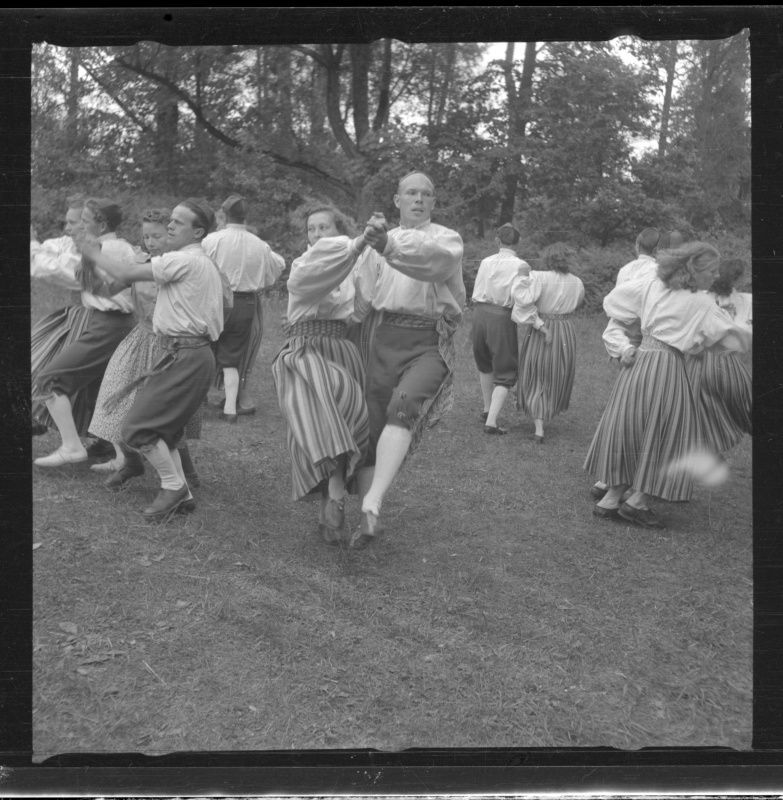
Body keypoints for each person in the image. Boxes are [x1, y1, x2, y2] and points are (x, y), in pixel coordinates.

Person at [584, 242, 752, 530]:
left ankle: (611, 499)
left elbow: (615, 302)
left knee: (635, 429)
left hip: (640, 363)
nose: (715, 276)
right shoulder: (701, 303)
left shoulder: (653, 284)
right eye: (711, 271)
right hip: (668, 367)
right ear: (695, 270)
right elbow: (733, 339)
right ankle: (636, 503)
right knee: (672, 437)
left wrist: (630, 339)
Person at [79, 198, 223, 520]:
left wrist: (91, 249)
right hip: (182, 351)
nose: (170, 225)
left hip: (184, 353)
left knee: (137, 428)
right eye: (170, 220)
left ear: (198, 231)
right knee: (164, 428)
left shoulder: (184, 260)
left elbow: (123, 271)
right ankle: (181, 492)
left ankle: (174, 487)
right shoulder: (195, 261)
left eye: (178, 222)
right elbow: (115, 283)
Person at [350, 171, 465, 548]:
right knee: (371, 419)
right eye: (411, 193)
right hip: (381, 337)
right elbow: (362, 293)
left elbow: (433, 264)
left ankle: (374, 500)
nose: (419, 199)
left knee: (404, 405)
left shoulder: (446, 239)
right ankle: (367, 518)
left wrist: (387, 247)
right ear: (397, 200)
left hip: (428, 341)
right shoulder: (378, 242)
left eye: (426, 194)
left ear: (434, 202)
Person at [272, 204, 371, 544]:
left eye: (323, 228)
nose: (315, 235)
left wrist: (351, 320)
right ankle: (331, 496)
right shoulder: (304, 263)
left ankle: (334, 496)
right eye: (311, 229)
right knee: (313, 421)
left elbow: (363, 302)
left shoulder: (356, 262)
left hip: (340, 346)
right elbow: (308, 282)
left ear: (338, 229)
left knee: (342, 417)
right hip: (304, 347)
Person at [33, 198, 137, 467]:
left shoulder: (104, 248)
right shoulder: (119, 245)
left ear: (100, 224)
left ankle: (71, 447)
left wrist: (35, 250)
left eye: (85, 220)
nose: (80, 225)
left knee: (50, 380)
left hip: (108, 323)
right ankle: (123, 457)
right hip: (115, 322)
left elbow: (75, 275)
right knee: (102, 390)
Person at [202, 195, 285, 421]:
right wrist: (261, 279)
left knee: (204, 350)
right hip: (245, 304)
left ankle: (200, 400)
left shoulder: (212, 240)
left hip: (215, 301)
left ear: (224, 212)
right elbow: (278, 265)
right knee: (231, 356)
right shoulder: (260, 245)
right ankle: (230, 408)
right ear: (246, 215)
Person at [30, 194, 94, 438]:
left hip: (93, 319)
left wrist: (34, 245)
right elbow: (49, 252)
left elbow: (63, 271)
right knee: (39, 359)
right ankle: (37, 416)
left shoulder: (97, 249)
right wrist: (36, 246)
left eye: (73, 222)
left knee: (78, 380)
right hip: (73, 315)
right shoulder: (69, 244)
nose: (67, 228)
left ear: (87, 223)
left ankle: (101, 439)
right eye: (66, 222)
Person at [512, 242, 585, 443]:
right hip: (565, 330)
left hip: (542, 328)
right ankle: (544, 414)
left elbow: (523, 303)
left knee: (537, 372)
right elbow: (576, 304)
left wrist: (539, 324)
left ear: (548, 259)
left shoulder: (539, 277)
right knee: (555, 373)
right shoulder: (577, 282)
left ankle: (539, 428)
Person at [684, 257, 752, 456]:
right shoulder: (742, 300)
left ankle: (707, 447)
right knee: (741, 402)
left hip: (698, 358)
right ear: (737, 278)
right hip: (725, 359)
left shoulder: (702, 295)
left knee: (700, 404)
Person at [471, 223, 530, 435]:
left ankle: (488, 410)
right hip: (501, 316)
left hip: (479, 314)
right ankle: (491, 422)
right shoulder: (522, 265)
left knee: (484, 362)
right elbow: (522, 296)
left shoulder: (486, 261)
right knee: (505, 369)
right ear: (518, 242)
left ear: (498, 240)